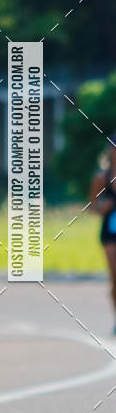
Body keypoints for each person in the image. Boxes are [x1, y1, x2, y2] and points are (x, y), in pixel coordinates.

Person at [89, 134, 116, 333]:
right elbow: (92, 207)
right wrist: (102, 208)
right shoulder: (102, 179)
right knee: (115, 278)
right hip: (110, 232)